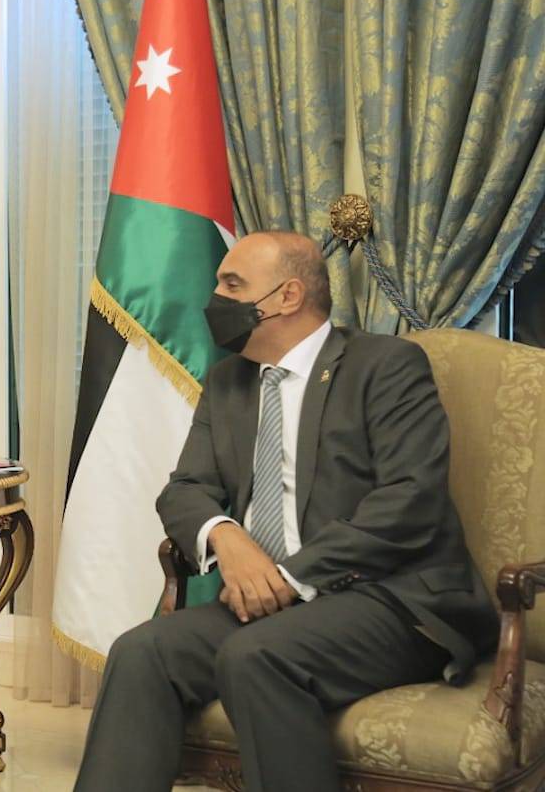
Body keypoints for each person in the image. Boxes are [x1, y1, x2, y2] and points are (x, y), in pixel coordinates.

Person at [73, 233, 499, 792]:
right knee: (141, 651)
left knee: (255, 656)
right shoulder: (229, 382)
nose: (215, 299)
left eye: (232, 285)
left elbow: (410, 500)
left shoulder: (385, 365)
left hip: (391, 600)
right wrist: (227, 537)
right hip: (273, 605)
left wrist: (288, 576)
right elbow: (185, 490)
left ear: (288, 296)